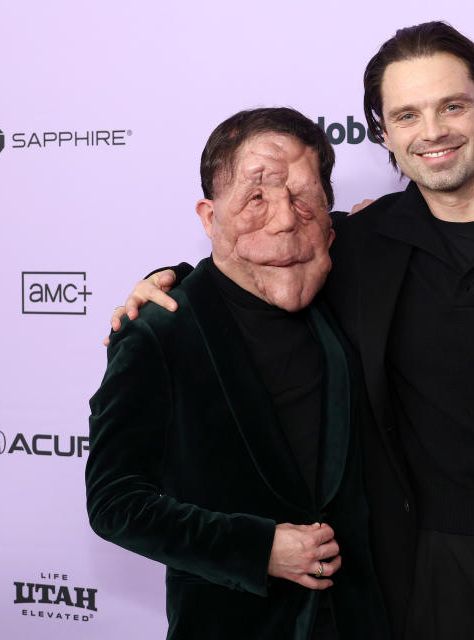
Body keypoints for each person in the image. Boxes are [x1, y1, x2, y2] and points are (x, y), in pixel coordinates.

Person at [114, 22, 474, 640]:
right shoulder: (360, 247)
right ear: (385, 135)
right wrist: (171, 281)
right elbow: (262, 253)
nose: (433, 132)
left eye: (452, 106)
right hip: (415, 576)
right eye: (407, 115)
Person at [87, 107, 388, 640]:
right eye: (255, 198)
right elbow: (115, 502)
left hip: (364, 619)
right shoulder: (158, 331)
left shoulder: (346, 278)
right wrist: (257, 549)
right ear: (208, 217)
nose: (284, 220)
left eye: (302, 198)